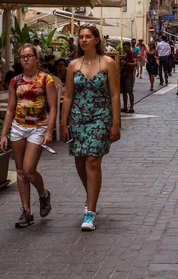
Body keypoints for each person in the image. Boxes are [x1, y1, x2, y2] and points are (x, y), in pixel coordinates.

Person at [61, 24, 120, 231]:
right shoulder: (73, 65)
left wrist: (116, 122)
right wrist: (63, 122)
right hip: (78, 117)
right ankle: (91, 194)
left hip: (100, 117)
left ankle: (90, 212)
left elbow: (114, 94)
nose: (84, 40)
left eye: (87, 36)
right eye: (81, 37)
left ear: (96, 40)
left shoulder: (108, 63)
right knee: (79, 161)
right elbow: (68, 95)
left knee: (92, 160)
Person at [0, 44, 57, 228]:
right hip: (18, 126)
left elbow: (53, 107)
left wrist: (49, 130)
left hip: (37, 127)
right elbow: (9, 109)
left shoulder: (46, 79)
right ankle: (26, 211)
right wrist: (4, 134)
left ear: (36, 58)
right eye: (22, 56)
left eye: (29, 56)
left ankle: (43, 194)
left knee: (29, 169)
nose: (25, 59)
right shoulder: (15, 81)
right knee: (20, 171)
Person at [120, 41, 137, 113]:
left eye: (126, 48)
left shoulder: (133, 55)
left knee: (130, 91)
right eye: (123, 48)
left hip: (129, 75)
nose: (125, 49)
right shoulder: (126, 55)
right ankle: (125, 107)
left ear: (129, 47)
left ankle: (132, 107)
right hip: (124, 74)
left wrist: (126, 63)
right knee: (124, 92)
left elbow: (135, 63)